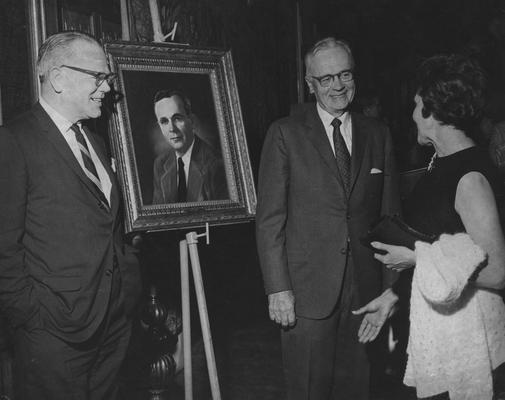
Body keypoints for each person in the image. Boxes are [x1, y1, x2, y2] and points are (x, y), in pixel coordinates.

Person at [255, 37, 401, 400]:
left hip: (365, 293)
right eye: (327, 79)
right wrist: (278, 289)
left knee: (359, 389)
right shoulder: (284, 134)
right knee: (309, 390)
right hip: (306, 294)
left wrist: (390, 290)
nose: (338, 86)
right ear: (310, 85)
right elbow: (270, 220)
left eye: (345, 75)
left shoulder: (377, 133)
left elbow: (390, 217)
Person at [354, 54, 505, 399]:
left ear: (431, 112)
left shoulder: (470, 178)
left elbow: (497, 272)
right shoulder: (441, 163)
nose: (412, 115)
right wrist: (393, 296)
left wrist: (415, 259)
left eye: (416, 105)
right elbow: (440, 245)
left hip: (468, 338)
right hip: (440, 329)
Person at [0, 31, 142, 399]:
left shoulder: (93, 139)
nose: (107, 88)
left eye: (107, 78)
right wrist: (34, 319)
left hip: (111, 320)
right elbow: (4, 247)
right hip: (53, 334)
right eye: (99, 77)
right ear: (59, 78)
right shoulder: (13, 141)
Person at [151, 89, 228, 203]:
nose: (172, 129)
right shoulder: (161, 164)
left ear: (191, 120)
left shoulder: (216, 165)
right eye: (164, 122)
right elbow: (158, 217)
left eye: (177, 119)